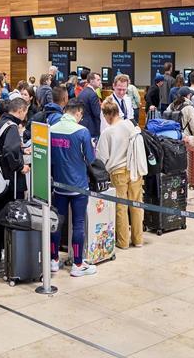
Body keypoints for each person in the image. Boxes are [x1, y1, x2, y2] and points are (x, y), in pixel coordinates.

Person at [50, 100, 98, 277]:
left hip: (58, 185)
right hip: (78, 186)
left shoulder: (51, 129)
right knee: (78, 224)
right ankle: (77, 264)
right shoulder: (82, 132)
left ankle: (53, 260)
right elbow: (90, 159)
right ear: (78, 113)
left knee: (56, 223)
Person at [0, 98, 29, 276]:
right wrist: (20, 166)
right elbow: (10, 151)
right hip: (8, 181)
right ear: (20, 111)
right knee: (7, 218)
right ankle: (5, 259)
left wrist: (20, 150)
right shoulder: (11, 127)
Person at [96, 99, 146, 249]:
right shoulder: (130, 124)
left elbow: (101, 158)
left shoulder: (107, 132)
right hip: (135, 169)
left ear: (107, 115)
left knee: (121, 207)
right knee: (136, 205)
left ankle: (123, 242)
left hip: (118, 172)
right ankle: (138, 240)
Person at [77, 71, 102, 139]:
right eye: (98, 80)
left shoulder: (82, 92)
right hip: (92, 127)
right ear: (91, 81)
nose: (100, 82)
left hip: (82, 124)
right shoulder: (93, 94)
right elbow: (97, 113)